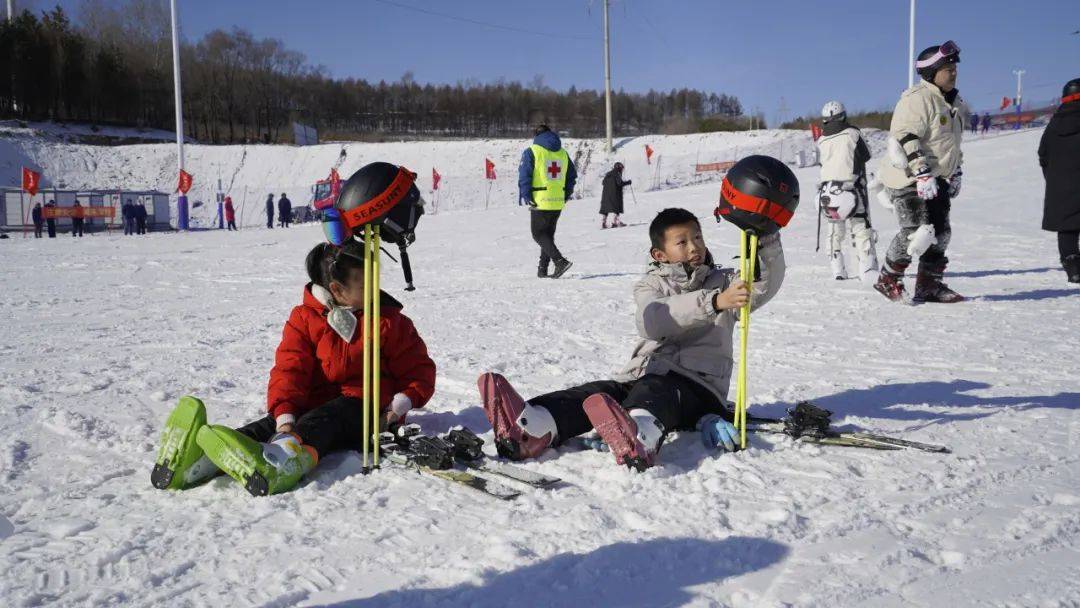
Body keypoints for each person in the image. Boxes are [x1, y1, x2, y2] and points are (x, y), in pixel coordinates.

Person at [480, 156, 796, 470]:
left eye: (697, 237)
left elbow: (763, 284)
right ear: (660, 254)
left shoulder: (724, 281)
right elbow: (653, 320)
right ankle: (533, 426)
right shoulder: (650, 286)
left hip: (698, 389)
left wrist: (765, 236)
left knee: (653, 393)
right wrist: (713, 303)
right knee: (599, 394)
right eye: (682, 242)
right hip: (645, 374)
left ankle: (638, 437)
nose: (693, 247)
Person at [151, 240, 437, 495]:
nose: (375, 290)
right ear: (336, 290)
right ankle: (201, 459)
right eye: (365, 285)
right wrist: (284, 415)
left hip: (367, 410)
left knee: (326, 419)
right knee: (272, 424)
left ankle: (287, 462)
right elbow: (290, 368)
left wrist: (398, 406)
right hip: (314, 404)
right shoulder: (305, 319)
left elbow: (419, 372)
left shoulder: (388, 322)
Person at [874, 40, 969, 303]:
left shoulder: (955, 103)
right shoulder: (918, 98)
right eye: (947, 67)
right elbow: (904, 135)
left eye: (955, 66)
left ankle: (929, 285)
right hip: (905, 177)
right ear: (931, 72)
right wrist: (921, 172)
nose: (953, 71)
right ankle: (888, 279)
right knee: (916, 232)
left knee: (941, 233)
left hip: (936, 178)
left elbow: (951, 144)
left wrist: (956, 170)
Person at [816, 100, 878, 282]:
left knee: (835, 229)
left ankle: (838, 269)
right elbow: (866, 155)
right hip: (853, 188)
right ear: (843, 115)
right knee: (860, 226)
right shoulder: (853, 133)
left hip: (828, 191)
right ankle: (866, 269)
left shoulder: (820, 140)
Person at [518, 124, 577, 278]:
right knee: (547, 235)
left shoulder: (532, 151)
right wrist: (566, 193)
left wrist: (526, 195)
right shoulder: (563, 153)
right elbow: (572, 176)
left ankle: (560, 261)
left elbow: (525, 175)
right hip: (558, 200)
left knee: (538, 234)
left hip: (540, 199)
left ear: (536, 136)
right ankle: (542, 269)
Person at [1038, 78, 1080, 284]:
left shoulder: (1054, 124)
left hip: (1061, 185)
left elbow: (1043, 153)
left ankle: (1072, 265)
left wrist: (1054, 178)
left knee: (1068, 227)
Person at [600, 162, 632, 229]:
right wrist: (628, 182)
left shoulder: (608, 173)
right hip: (615, 194)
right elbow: (619, 183)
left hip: (605, 195)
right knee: (616, 207)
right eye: (622, 168)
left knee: (606, 209)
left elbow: (603, 182)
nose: (622, 170)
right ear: (619, 167)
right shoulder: (617, 173)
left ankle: (603, 223)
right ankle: (615, 222)